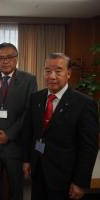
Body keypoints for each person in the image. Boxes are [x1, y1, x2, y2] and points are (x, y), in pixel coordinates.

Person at [23, 53, 99, 200]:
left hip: (65, 177)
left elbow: (89, 147)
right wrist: (27, 160)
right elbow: (30, 132)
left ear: (68, 74)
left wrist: (80, 182)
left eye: (58, 71)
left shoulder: (84, 104)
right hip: (38, 171)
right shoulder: (36, 98)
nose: (52, 76)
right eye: (47, 71)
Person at [0, 42, 37, 200]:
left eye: (9, 57)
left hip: (14, 145)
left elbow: (28, 112)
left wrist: (9, 134)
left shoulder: (29, 80)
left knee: (16, 187)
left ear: (16, 59)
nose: (5, 61)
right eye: (1, 58)